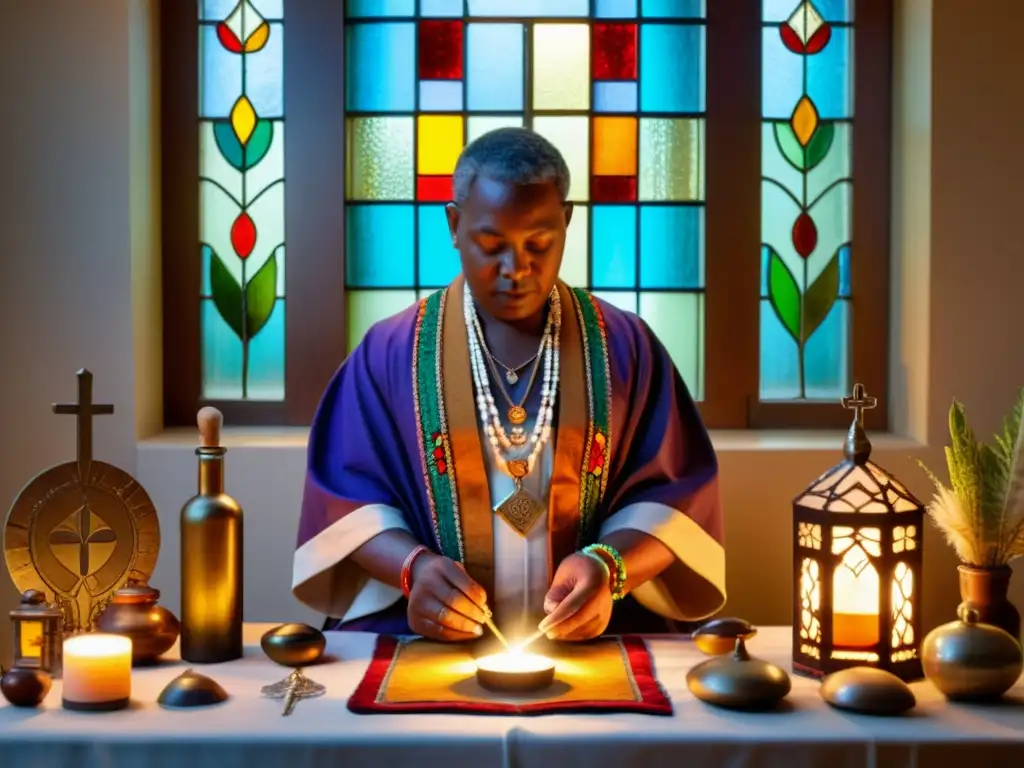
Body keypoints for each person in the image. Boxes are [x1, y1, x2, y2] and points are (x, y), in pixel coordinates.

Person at [292, 127, 725, 643]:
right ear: (454, 225)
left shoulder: (625, 348)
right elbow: (345, 501)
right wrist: (414, 570)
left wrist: (609, 569)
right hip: (433, 644)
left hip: (590, 643)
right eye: (491, 244)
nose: (516, 269)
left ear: (567, 222)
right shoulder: (391, 354)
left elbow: (678, 499)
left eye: (538, 244)